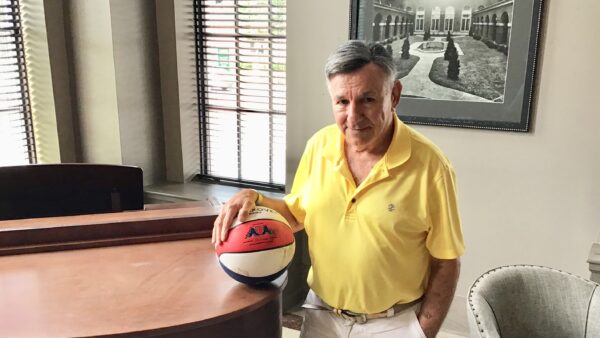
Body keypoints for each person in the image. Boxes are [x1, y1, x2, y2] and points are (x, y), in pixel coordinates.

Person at [212, 40, 465, 338]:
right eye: (342, 102)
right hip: (323, 316)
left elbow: (446, 259)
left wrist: (424, 331)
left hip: (393, 323)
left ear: (394, 95)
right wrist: (253, 197)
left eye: (368, 100)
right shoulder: (319, 146)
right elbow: (296, 215)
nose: (354, 117)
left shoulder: (431, 166)